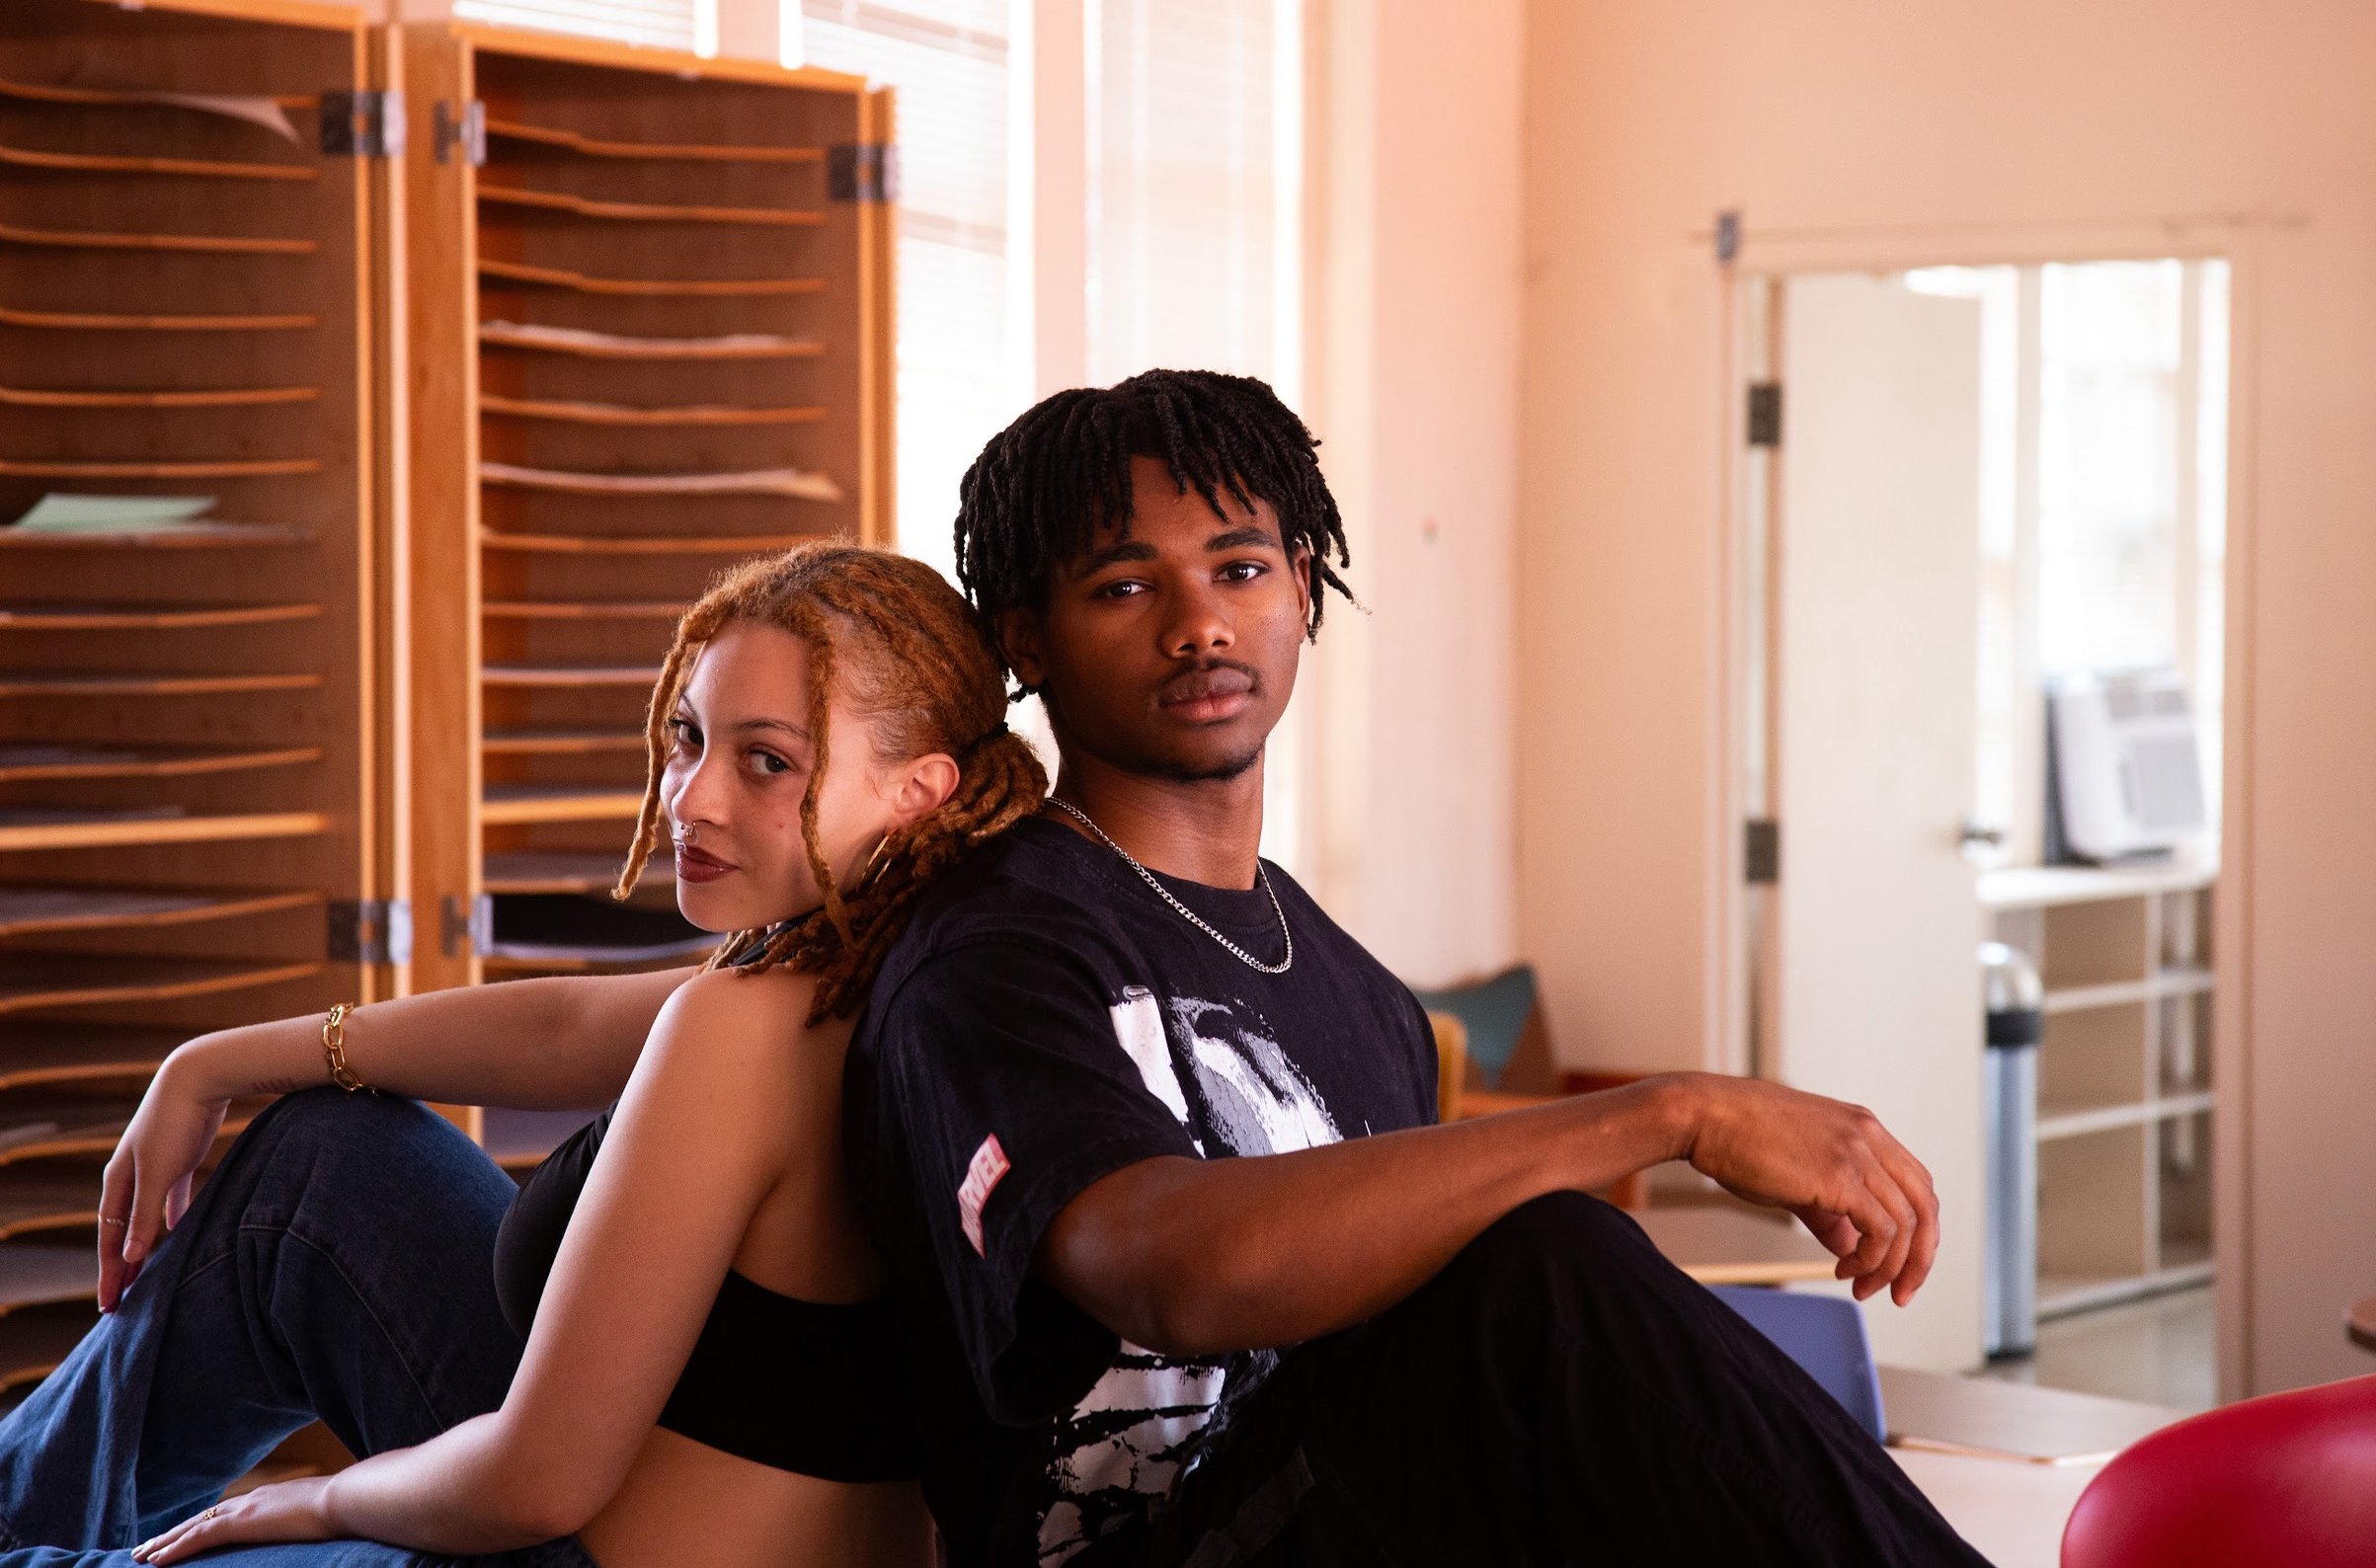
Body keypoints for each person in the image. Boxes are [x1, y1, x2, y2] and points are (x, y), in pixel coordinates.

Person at [843, 369, 1993, 1567]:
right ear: (1028, 635)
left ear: (1305, 585)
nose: (1199, 626)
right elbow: (1166, 1268)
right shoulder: (992, 951)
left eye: (1240, 569)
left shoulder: (1357, 992)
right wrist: (1675, 1113)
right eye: (1125, 586)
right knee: (1548, 1267)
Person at [0, 546, 1046, 1568]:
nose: (690, 798)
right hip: (637, 1507)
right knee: (327, 1153)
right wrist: (218, 1062)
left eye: (765, 760)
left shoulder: (749, 1023)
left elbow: (533, 1483)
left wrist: (316, 1501)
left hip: (561, 1542)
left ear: (919, 788)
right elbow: (572, 1029)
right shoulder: (915, 956)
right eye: (687, 737)